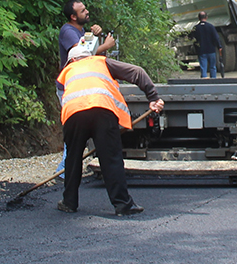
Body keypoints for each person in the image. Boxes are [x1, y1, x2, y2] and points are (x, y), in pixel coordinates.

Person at [56, 34, 165, 216]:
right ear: (89, 57)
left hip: (74, 115)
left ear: (72, 60)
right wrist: (153, 98)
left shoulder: (67, 72)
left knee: (72, 159)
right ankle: (123, 205)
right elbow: (137, 72)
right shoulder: (101, 62)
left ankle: (69, 203)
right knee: (111, 159)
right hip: (103, 111)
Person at [55, 0, 116, 180]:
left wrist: (94, 35)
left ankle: (68, 168)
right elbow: (79, 56)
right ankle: (65, 170)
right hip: (70, 87)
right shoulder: (68, 32)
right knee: (74, 126)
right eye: (83, 11)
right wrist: (105, 45)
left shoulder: (80, 31)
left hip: (80, 85)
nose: (87, 12)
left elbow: (89, 49)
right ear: (73, 16)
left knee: (78, 126)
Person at [194, 10, 223, 78]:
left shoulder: (196, 28)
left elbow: (192, 38)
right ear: (206, 17)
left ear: (198, 18)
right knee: (212, 66)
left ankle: (204, 81)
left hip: (201, 51)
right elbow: (216, 38)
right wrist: (219, 46)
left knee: (203, 67)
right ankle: (213, 80)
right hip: (211, 50)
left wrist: (196, 48)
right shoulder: (210, 27)